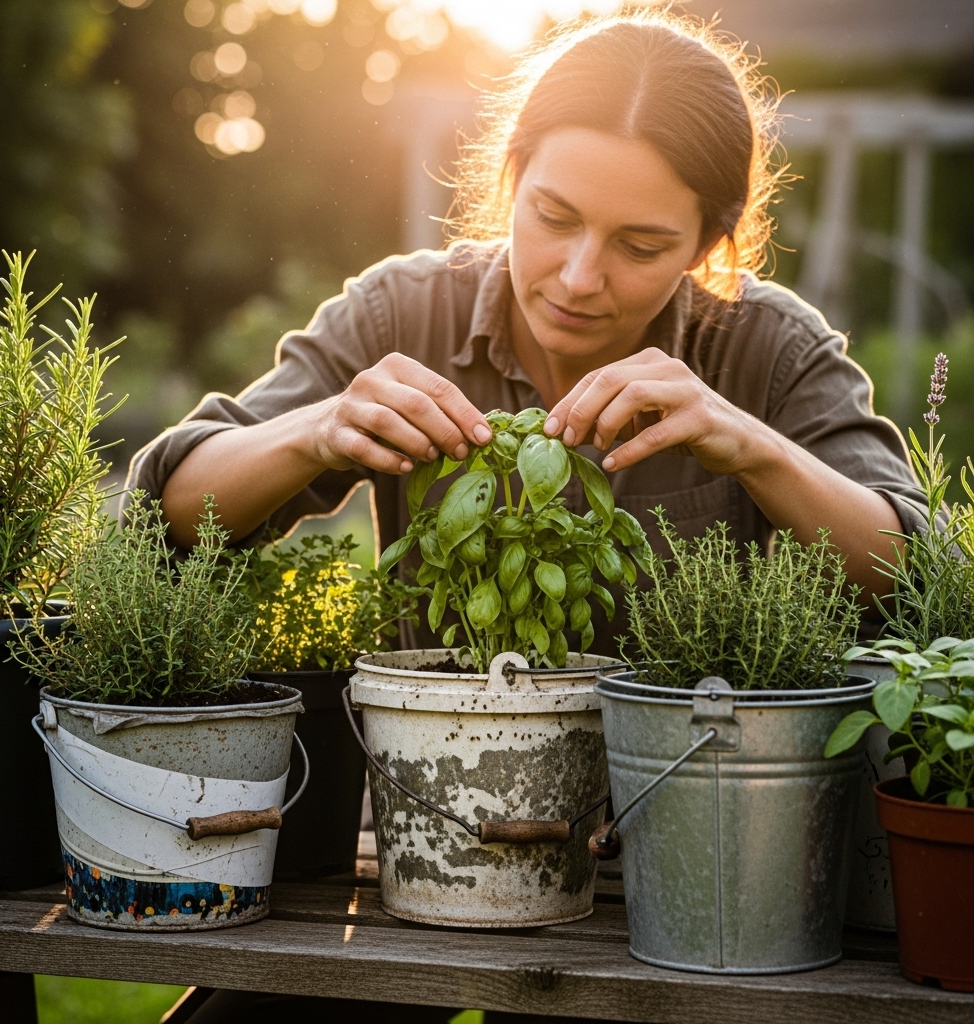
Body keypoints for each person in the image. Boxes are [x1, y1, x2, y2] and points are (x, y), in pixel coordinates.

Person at [140, 11, 924, 1023]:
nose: (579, 274)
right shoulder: (401, 315)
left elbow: (913, 566)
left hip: (689, 865)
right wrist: (321, 429)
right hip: (439, 838)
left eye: (642, 245)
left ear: (712, 243)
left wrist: (751, 445)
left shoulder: (765, 352)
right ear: (510, 179)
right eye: (553, 216)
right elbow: (170, 505)